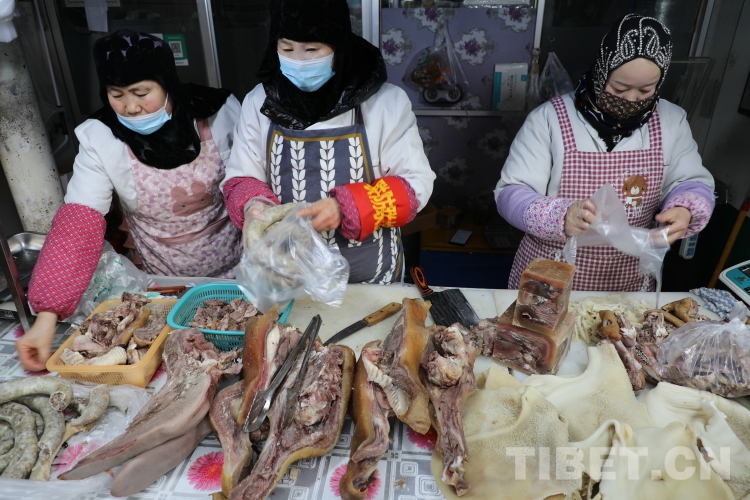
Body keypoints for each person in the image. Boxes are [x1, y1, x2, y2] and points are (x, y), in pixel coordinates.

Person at [16, 30, 241, 370]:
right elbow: (79, 221)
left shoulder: (218, 112)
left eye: (141, 93)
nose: (131, 107)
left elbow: (247, 181)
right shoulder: (100, 136)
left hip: (238, 270)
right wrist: (47, 317)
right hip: (165, 282)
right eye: (117, 95)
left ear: (167, 83)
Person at [495, 14, 714, 291]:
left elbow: (690, 181)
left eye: (645, 90)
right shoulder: (549, 118)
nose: (630, 99)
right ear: (601, 71)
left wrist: (684, 209)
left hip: (629, 279)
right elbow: (510, 194)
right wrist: (561, 215)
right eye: (619, 88)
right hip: (550, 275)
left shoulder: (671, 120)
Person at [222, 0, 435, 284]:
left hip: (369, 277)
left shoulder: (385, 102)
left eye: (312, 49)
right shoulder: (259, 101)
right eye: (287, 49)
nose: (299, 60)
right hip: (286, 275)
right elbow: (243, 176)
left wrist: (347, 208)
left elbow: (416, 184)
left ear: (339, 46)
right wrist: (253, 208)